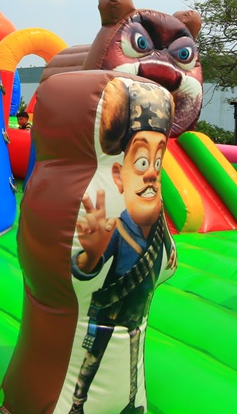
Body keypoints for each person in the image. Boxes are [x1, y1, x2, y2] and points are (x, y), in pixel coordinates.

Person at [69, 81, 177, 414]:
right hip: (112, 301)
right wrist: (91, 253)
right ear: (119, 175)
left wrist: (169, 255)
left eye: (157, 164)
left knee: (132, 352)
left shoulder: (157, 223)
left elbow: (166, 263)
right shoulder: (117, 225)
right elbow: (84, 268)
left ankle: (131, 400)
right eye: (142, 164)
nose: (151, 176)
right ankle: (77, 402)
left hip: (136, 303)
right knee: (94, 352)